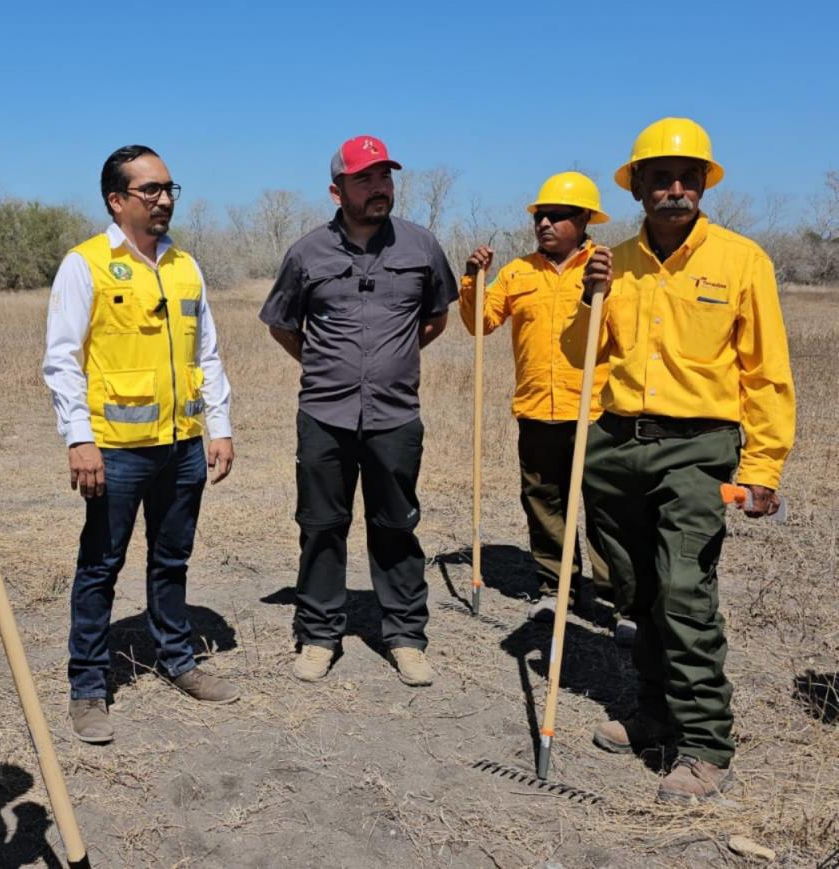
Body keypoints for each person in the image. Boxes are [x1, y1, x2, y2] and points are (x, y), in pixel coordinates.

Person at [581, 118, 795, 803]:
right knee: (636, 589)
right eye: (660, 178)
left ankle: (705, 744)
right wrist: (589, 297)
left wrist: (762, 467)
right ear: (636, 186)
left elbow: (766, 373)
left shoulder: (742, 261)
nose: (675, 189)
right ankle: (655, 714)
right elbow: (579, 352)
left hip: (698, 448)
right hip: (617, 443)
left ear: (704, 184)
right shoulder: (612, 261)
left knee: (682, 589)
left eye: (688, 178)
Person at [43, 144, 238, 745]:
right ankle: (88, 686)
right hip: (117, 451)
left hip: (182, 446)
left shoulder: (185, 266)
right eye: (149, 189)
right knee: (100, 567)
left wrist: (219, 426)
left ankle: (178, 659)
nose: (163, 200)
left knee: (172, 559)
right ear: (116, 199)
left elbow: (207, 352)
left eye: (168, 188)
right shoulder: (86, 264)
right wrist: (79, 439)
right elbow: (62, 358)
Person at [260, 135, 458, 686]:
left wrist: (393, 360)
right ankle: (319, 635)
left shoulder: (421, 246)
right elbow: (282, 324)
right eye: (365, 179)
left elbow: (435, 318)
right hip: (325, 415)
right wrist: (328, 366)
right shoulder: (306, 253)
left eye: (385, 176)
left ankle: (406, 637)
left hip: (395, 416)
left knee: (397, 525)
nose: (379, 187)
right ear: (337, 191)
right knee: (322, 527)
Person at [459, 172, 623, 636]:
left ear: (585, 219)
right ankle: (555, 589)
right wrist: (472, 279)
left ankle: (615, 599)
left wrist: (602, 292)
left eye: (557, 216)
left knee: (606, 507)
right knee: (544, 501)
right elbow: (480, 322)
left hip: (596, 412)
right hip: (536, 410)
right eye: (540, 216)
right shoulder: (517, 272)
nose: (545, 223)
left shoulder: (607, 267)